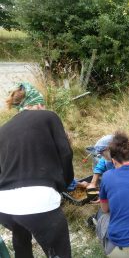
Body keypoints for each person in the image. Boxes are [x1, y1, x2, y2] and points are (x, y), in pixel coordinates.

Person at [0, 83, 74, 258]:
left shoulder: (3, 130)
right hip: (39, 201)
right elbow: (65, 152)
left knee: (21, 241)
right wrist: (66, 183)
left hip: (5, 206)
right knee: (58, 251)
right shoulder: (48, 116)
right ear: (39, 104)